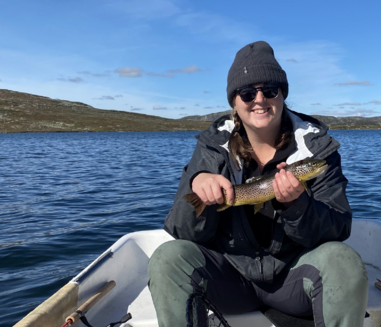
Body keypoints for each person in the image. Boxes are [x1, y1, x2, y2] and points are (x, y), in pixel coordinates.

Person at [148, 41, 368, 327]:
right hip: (228, 280)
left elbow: (339, 228)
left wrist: (298, 206)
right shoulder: (212, 148)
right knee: (168, 257)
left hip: (292, 280)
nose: (260, 99)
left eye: (270, 91)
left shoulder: (317, 151)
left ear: (283, 96)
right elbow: (180, 230)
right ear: (234, 102)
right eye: (248, 93)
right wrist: (197, 185)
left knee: (344, 260)